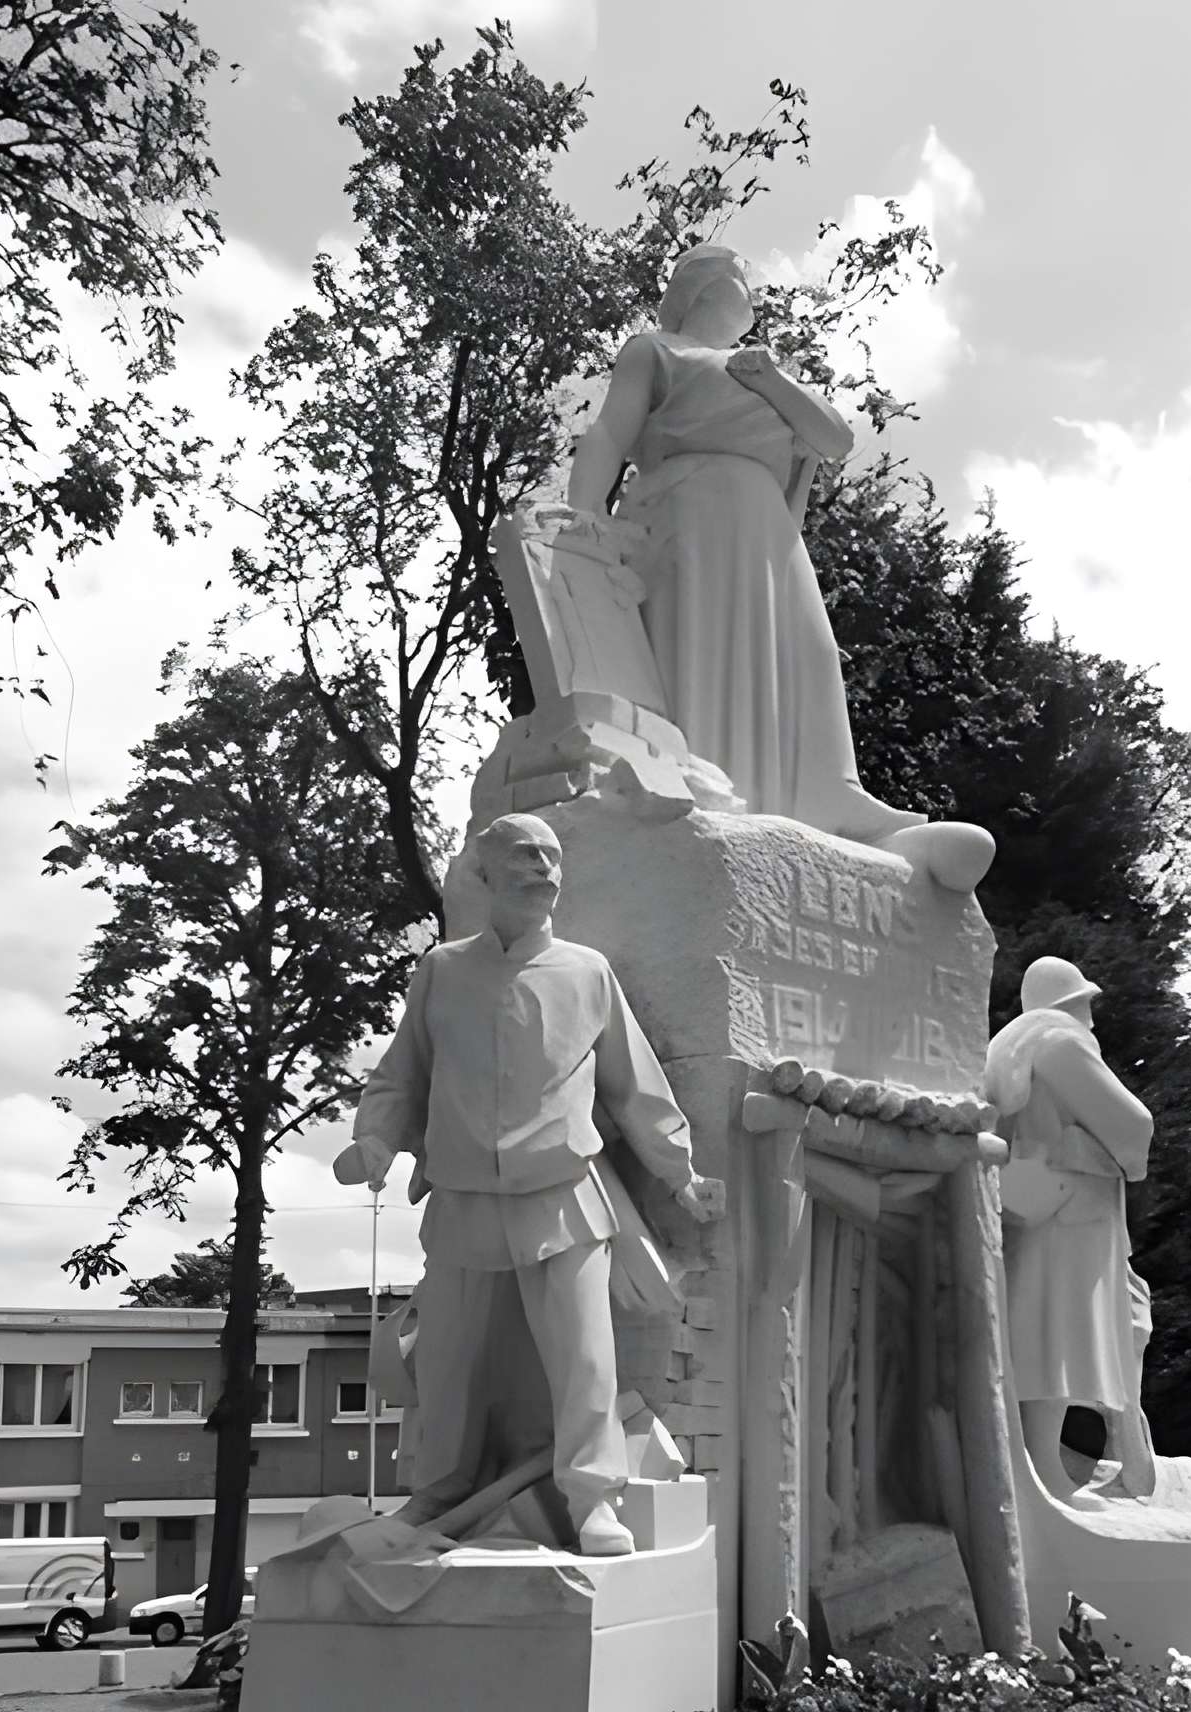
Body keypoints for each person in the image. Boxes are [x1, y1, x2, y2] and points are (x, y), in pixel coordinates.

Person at [565, 242, 993, 894]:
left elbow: (834, 438)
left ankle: (831, 794)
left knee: (810, 654)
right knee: (709, 651)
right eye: (736, 278)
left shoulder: (764, 374)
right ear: (702, 289)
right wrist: (583, 515)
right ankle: (708, 794)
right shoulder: (657, 351)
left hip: (765, 528)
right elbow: (607, 435)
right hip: (690, 513)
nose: (749, 289)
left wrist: (765, 376)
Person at [346, 813, 717, 1557]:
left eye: (552, 856)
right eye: (524, 855)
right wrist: (375, 1138)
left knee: (584, 1357)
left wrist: (680, 1177)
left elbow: (635, 1089)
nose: (544, 868)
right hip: (462, 1201)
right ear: (485, 874)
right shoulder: (442, 972)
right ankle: (435, 1493)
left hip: (563, 1195)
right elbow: (401, 1074)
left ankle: (592, 1501)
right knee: (447, 1359)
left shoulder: (587, 972)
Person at [983, 956, 1158, 1501]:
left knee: (1044, 1329)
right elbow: (1132, 1123)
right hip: (1074, 1205)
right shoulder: (1061, 1043)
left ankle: (1043, 1464)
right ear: (1068, 1005)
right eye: (1086, 1005)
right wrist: (1128, 1153)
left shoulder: (1012, 1047)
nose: (1093, 1019)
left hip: (1036, 1205)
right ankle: (1044, 1469)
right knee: (1060, 1334)